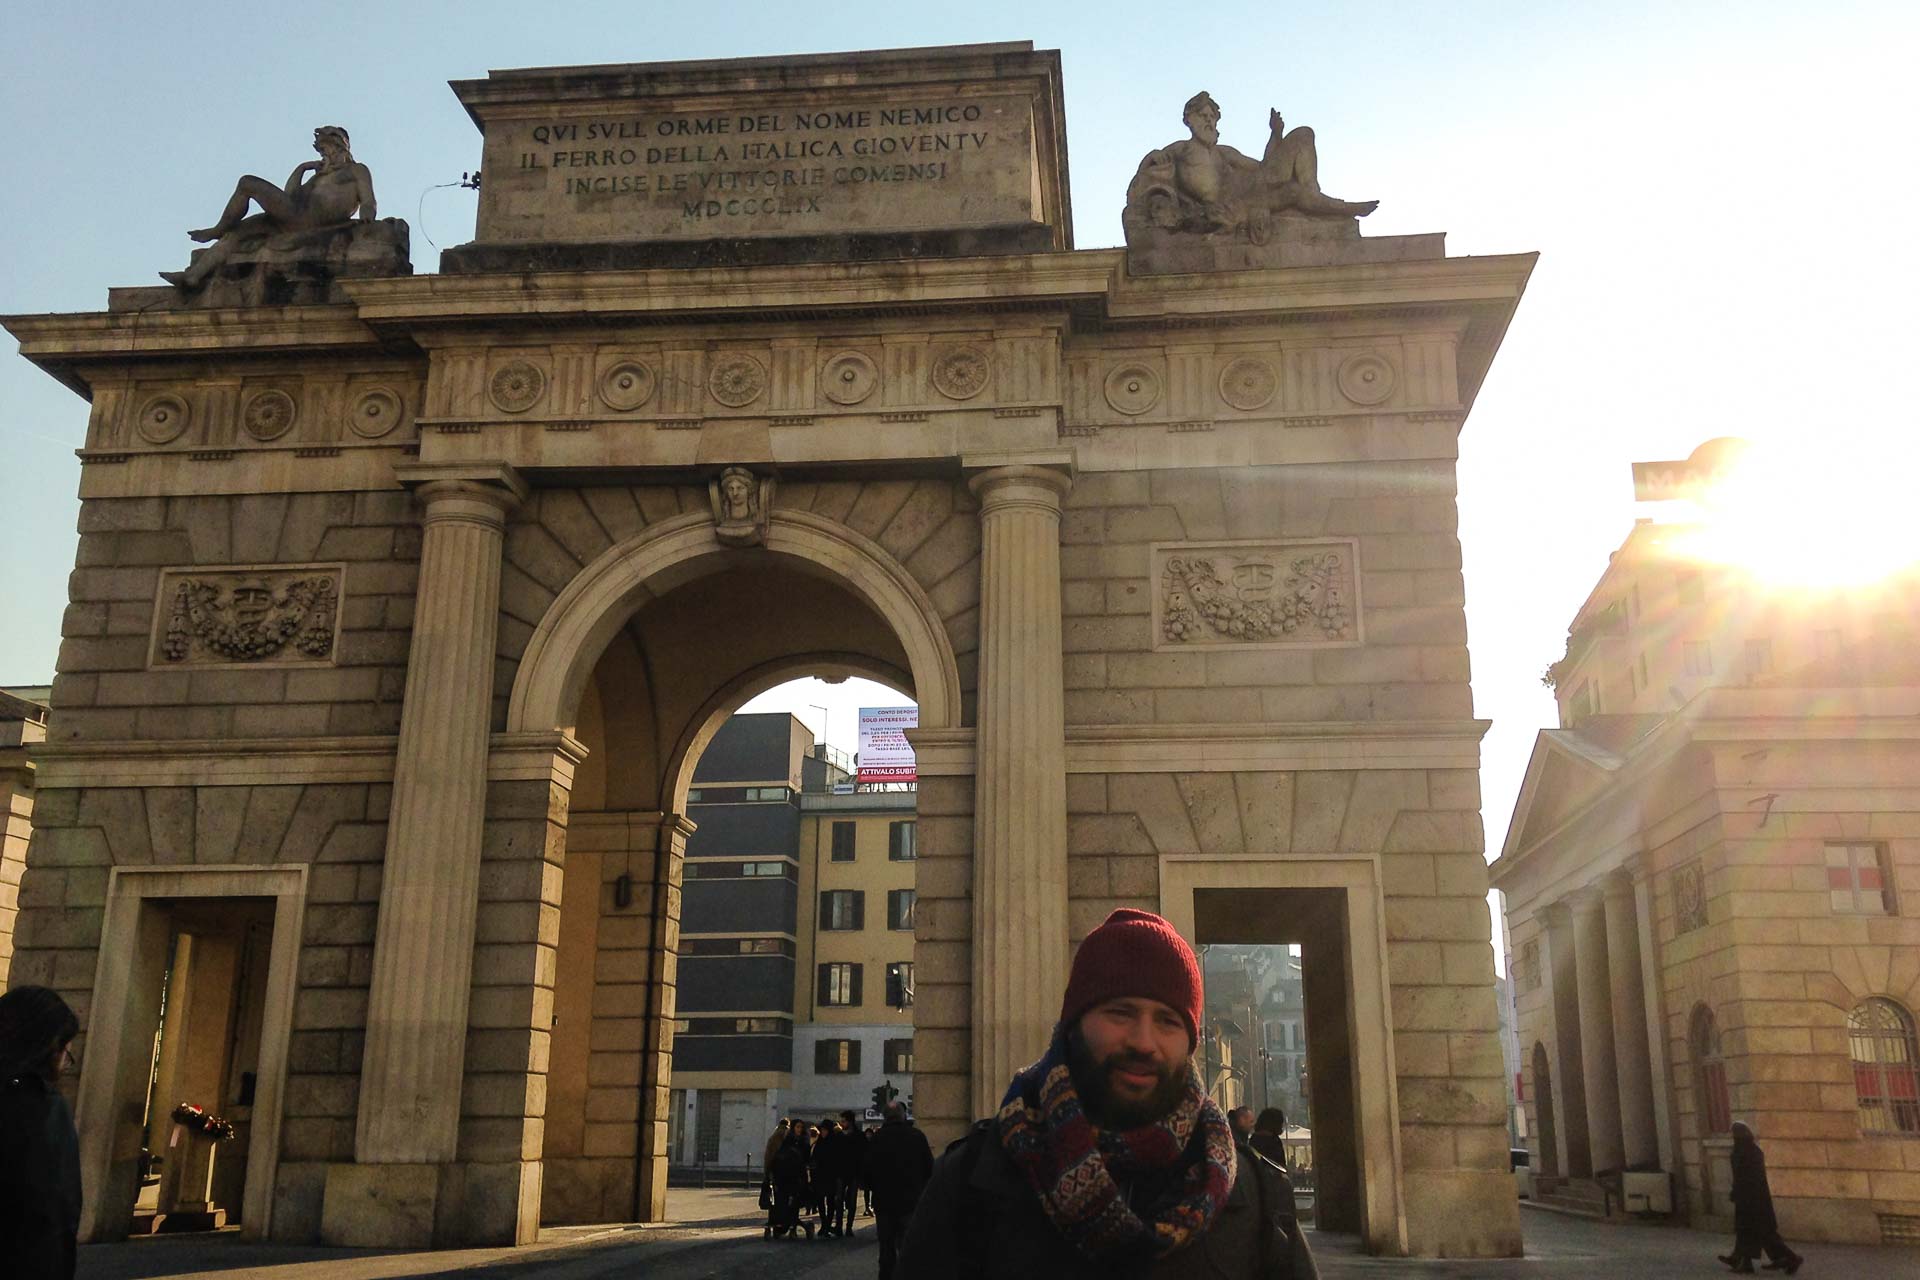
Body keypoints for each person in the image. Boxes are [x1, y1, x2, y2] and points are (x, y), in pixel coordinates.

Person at [898, 908, 1313, 1278]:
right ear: (1073, 1025)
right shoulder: (970, 1181)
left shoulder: (1259, 1198)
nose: (1143, 1041)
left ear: (1190, 1044)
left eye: (1168, 1021)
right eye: (1120, 1012)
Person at [161, 126, 378, 290]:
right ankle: (193, 276)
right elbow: (289, 196)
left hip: (307, 219)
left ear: (342, 148)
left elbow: (368, 199)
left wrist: (367, 218)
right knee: (235, 234)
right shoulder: (318, 177)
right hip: (292, 218)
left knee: (247, 183)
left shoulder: (356, 170)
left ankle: (216, 229)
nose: (326, 157)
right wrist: (302, 169)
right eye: (323, 153)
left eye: (329, 151)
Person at [0, 986, 83, 1280]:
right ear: (48, 1047)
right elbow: (55, 1213)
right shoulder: (41, 1106)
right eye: (65, 1052)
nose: (64, 1063)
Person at [864, 1100, 934, 1280]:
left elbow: (866, 1172)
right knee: (908, 1248)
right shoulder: (916, 1136)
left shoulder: (877, 1140)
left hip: (884, 1203)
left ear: (885, 1117)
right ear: (903, 1115)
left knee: (886, 1250)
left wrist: (875, 1189)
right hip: (911, 1202)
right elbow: (929, 1169)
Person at [1720, 1122, 1803, 1274]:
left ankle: (1790, 1258)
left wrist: (1737, 1192)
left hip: (1751, 1199)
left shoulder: (1744, 1152)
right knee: (1748, 1230)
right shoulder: (1751, 1150)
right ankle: (1741, 1260)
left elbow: (1744, 1177)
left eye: (1734, 1134)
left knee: (1761, 1232)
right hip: (1754, 1198)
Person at [768, 1116, 814, 1239]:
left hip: (798, 1174)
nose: (799, 1129)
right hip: (786, 1174)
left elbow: (807, 1158)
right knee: (784, 1201)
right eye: (797, 1127)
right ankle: (786, 1224)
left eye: (800, 1127)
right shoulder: (787, 1140)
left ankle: (792, 1224)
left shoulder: (804, 1140)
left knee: (796, 1200)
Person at [833, 1108, 867, 1239]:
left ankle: (848, 1227)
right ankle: (839, 1226)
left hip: (853, 1173)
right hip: (841, 1173)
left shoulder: (858, 1136)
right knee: (839, 1200)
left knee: (851, 1202)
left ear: (850, 1122)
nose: (841, 1123)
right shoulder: (839, 1136)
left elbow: (863, 1155)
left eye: (843, 1121)